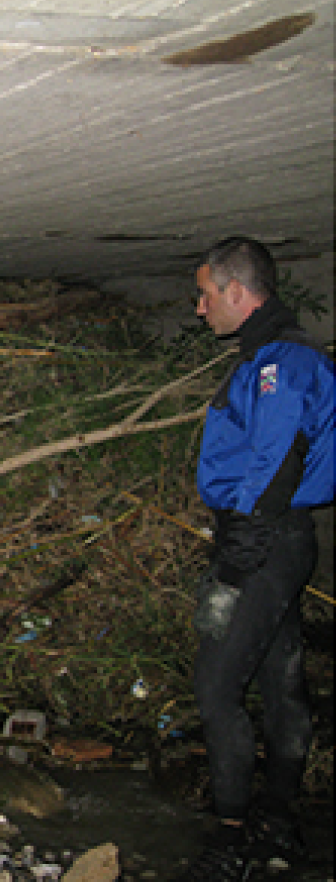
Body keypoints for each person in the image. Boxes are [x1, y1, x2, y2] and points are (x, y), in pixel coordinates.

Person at [179, 236, 334, 882]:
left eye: (204, 294)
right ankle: (275, 819)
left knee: (215, 689)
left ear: (236, 293)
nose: (197, 308)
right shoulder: (269, 358)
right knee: (278, 682)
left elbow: (275, 458)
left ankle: (234, 830)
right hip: (275, 537)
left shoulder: (279, 365)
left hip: (264, 540)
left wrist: (239, 552)